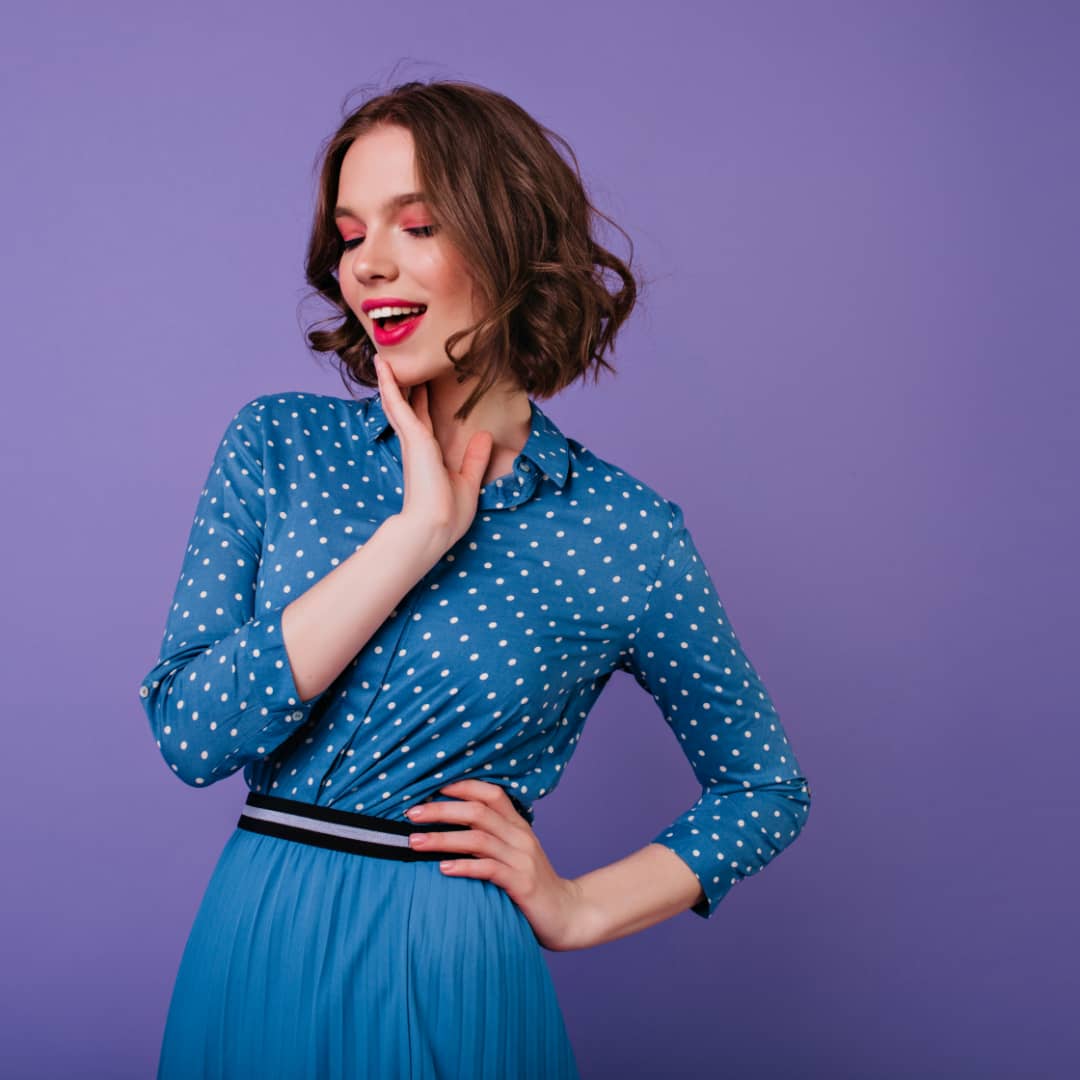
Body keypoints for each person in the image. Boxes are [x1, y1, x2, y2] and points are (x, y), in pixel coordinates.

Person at [138, 78, 812, 1080]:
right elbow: (191, 735)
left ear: (511, 243)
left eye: (417, 226)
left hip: (455, 970)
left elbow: (764, 788)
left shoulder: (621, 529)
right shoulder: (279, 445)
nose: (369, 263)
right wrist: (415, 535)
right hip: (256, 947)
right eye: (350, 234)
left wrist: (579, 908)